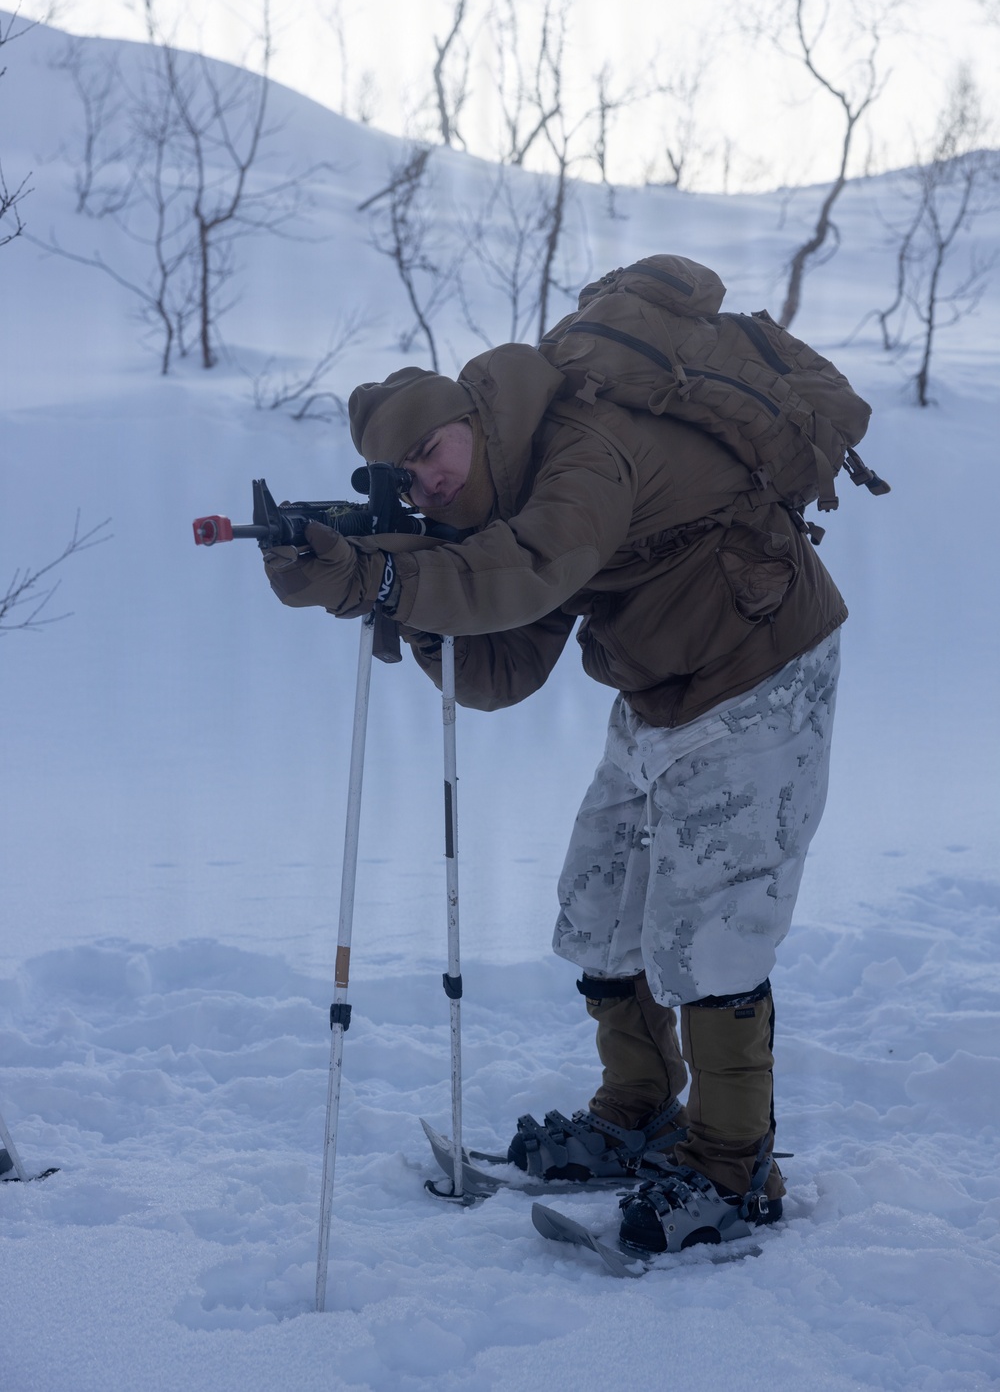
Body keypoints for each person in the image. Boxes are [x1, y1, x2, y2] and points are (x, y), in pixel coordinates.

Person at [264, 258, 846, 1254]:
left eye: (432, 454)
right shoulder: (493, 492)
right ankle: (639, 1109)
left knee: (712, 927)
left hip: (760, 666)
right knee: (598, 904)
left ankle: (731, 1168)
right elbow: (506, 670)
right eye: (405, 480)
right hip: (658, 687)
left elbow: (534, 570)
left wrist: (388, 581)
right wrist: (398, 593)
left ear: (468, 420)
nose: (429, 481)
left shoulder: (583, 441)